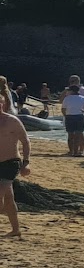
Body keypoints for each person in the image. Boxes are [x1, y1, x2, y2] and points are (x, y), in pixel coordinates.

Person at [0, 97, 27, 238]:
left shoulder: (12, 121)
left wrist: (26, 163)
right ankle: (16, 229)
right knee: (9, 199)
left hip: (10, 162)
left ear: (2, 104)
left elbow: (25, 141)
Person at [61, 75, 84, 158]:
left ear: (77, 81)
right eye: (70, 81)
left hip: (79, 113)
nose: (71, 83)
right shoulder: (69, 91)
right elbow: (61, 100)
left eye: (73, 81)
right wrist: (65, 91)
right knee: (71, 134)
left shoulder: (82, 90)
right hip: (70, 114)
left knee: (79, 133)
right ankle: (72, 150)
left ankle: (81, 150)